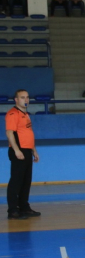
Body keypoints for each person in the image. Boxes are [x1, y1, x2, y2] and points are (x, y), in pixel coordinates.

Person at [5, 89, 41, 220]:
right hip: (18, 150)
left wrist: (34, 150)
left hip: (27, 150)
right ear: (16, 100)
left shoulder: (25, 114)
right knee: (16, 181)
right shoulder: (12, 114)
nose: (25, 100)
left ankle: (24, 207)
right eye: (22, 97)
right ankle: (13, 211)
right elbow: (10, 133)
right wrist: (16, 150)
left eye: (27, 97)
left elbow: (28, 134)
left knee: (26, 181)